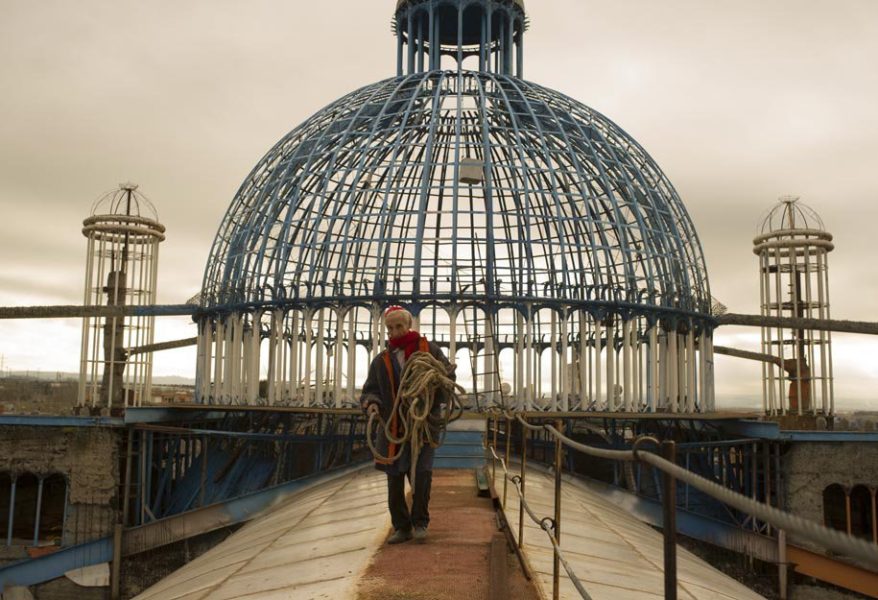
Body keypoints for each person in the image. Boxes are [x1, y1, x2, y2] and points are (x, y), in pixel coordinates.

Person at [360, 306, 454, 544]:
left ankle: (420, 522)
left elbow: (447, 379)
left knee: (421, 475)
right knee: (394, 478)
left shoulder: (430, 351)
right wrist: (372, 404)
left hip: (422, 427)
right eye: (390, 328)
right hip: (392, 428)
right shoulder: (381, 361)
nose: (394, 332)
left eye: (398, 326)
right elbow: (370, 390)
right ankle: (402, 527)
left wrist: (434, 389)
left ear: (409, 324)